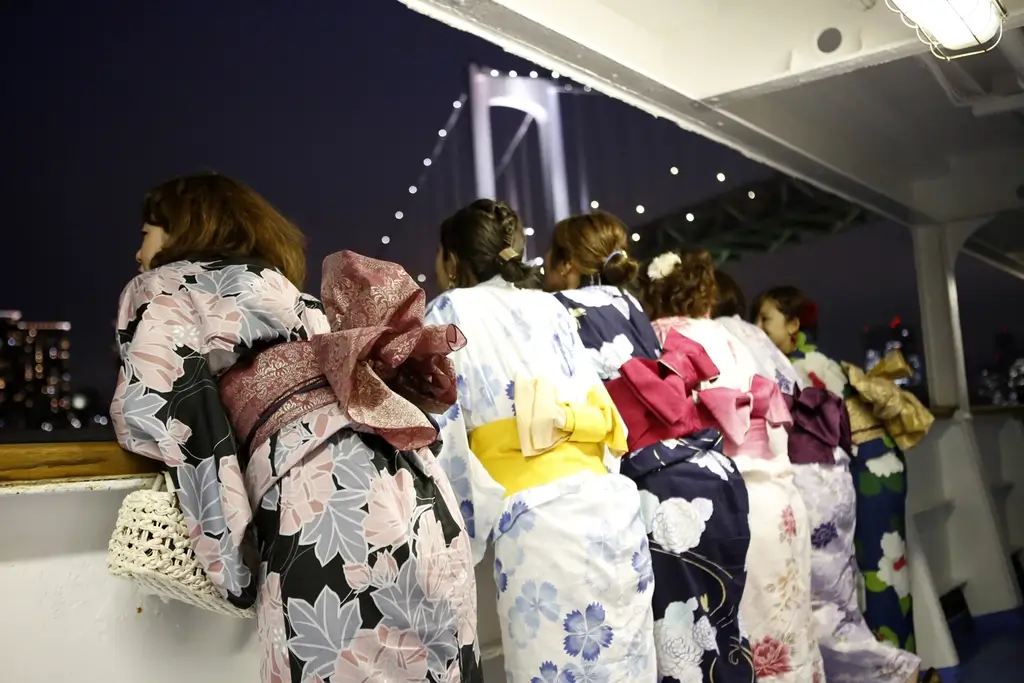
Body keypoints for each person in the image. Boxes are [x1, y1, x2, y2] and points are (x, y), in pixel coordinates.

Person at [111, 172, 481, 683]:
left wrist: (228, 561)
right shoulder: (291, 295)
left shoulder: (162, 288)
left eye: (147, 232)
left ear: (181, 230)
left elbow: (172, 416)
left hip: (323, 505)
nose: (139, 251)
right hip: (413, 486)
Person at [425, 200, 657, 683]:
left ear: (451, 259)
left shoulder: (447, 311)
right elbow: (601, 413)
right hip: (609, 507)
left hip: (538, 523)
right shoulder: (550, 305)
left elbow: (442, 434)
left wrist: (461, 536)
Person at [543, 212, 756, 683]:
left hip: (655, 482)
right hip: (711, 467)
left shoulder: (556, 309)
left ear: (566, 262)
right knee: (723, 636)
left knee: (679, 649)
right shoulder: (630, 301)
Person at [719, 275, 923, 683]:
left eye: (766, 318)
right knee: (871, 574)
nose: (759, 328)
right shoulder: (818, 362)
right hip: (862, 466)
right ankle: (898, 661)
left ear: (794, 325)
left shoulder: (798, 366)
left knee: (861, 580)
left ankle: (897, 669)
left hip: (848, 469)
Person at [641, 249, 825, 683]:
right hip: (780, 495)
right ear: (706, 298)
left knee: (745, 648)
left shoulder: (658, 339)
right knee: (790, 635)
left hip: (729, 502)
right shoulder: (738, 338)